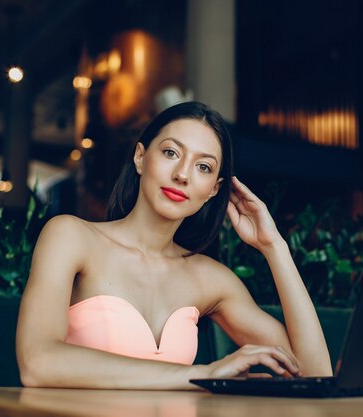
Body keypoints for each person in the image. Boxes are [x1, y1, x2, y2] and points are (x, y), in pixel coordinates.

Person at [16, 101, 332, 390]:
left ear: (213, 190)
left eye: (203, 167)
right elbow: (38, 363)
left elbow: (314, 375)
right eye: (171, 152)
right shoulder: (71, 236)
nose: (182, 175)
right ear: (140, 157)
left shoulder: (209, 278)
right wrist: (203, 375)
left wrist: (274, 246)